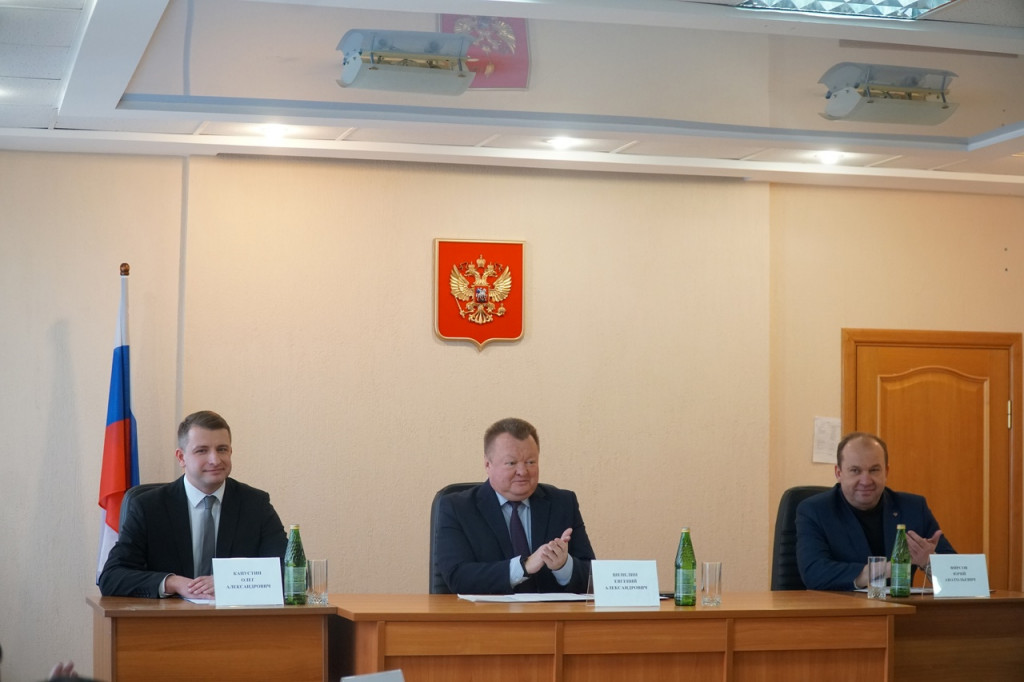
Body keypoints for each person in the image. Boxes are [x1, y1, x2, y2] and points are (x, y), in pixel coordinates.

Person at [98, 410, 287, 599]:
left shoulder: (255, 505)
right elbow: (112, 577)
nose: (215, 460)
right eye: (202, 451)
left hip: (235, 615)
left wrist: (229, 580)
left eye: (222, 449)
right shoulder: (148, 507)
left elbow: (289, 569)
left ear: (231, 452)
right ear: (181, 457)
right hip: (169, 615)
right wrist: (173, 582)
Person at [435, 417, 595, 594]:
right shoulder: (457, 508)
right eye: (511, 463)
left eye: (530, 462)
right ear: (488, 465)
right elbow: (458, 577)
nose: (523, 471)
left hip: (550, 611)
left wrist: (564, 566)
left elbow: (593, 577)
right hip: (487, 611)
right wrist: (523, 566)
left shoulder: (563, 503)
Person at [796, 431, 955, 591]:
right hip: (841, 605)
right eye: (855, 471)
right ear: (839, 473)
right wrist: (891, 568)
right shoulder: (815, 510)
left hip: (898, 606)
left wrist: (929, 562)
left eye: (874, 470)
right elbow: (814, 573)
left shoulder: (913, 508)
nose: (866, 481)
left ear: (886, 472)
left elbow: (958, 577)